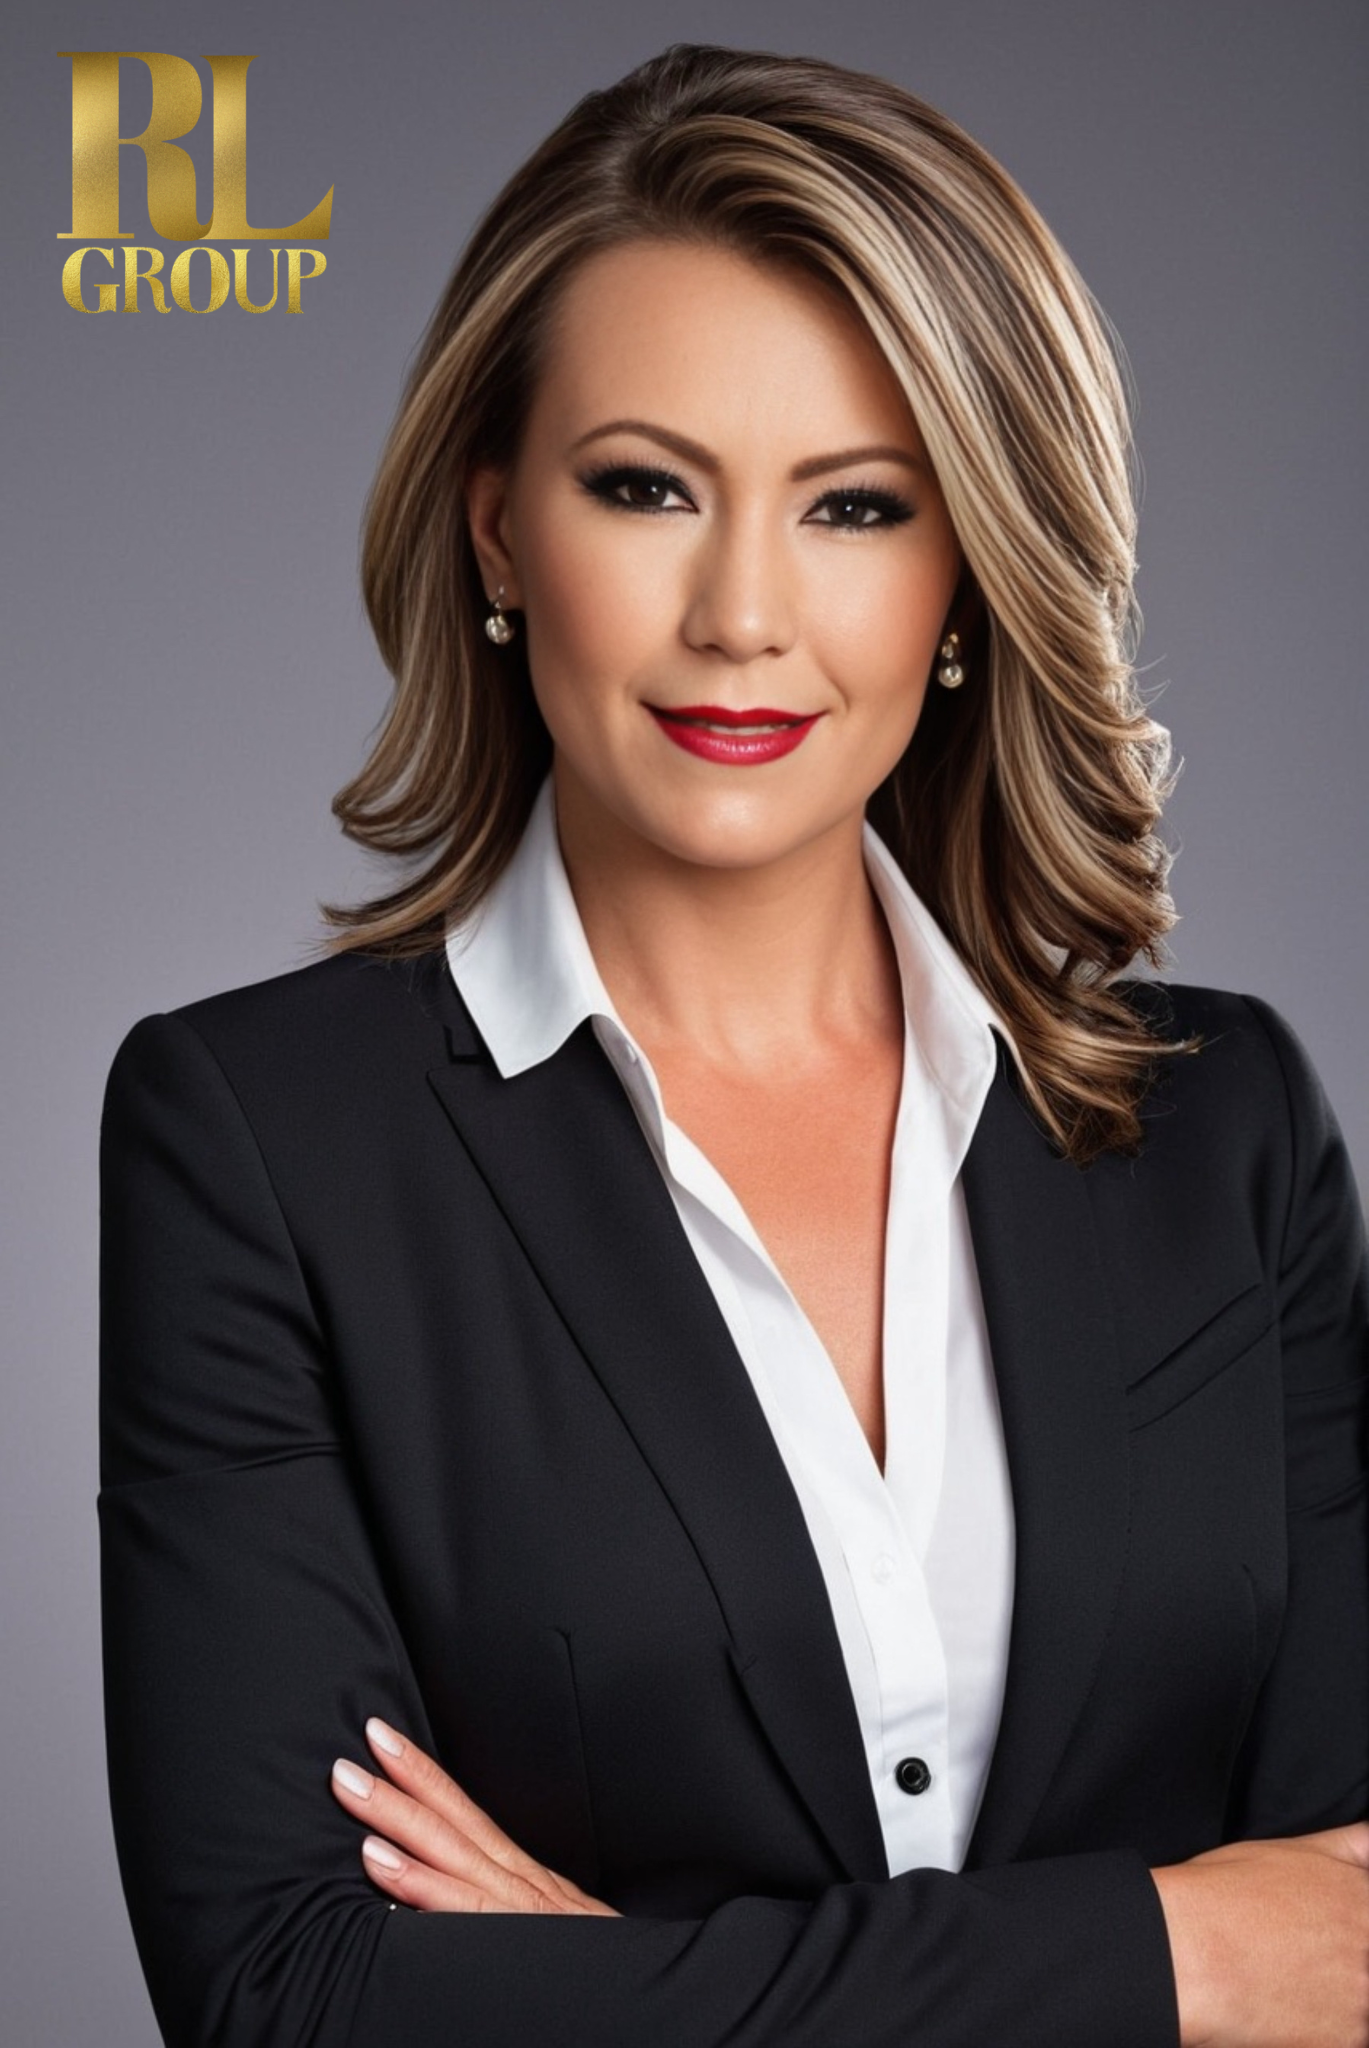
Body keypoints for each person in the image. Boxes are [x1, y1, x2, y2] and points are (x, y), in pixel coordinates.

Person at [99, 41, 1367, 2048]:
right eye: (646, 487)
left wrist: (600, 1984)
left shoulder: (1231, 1133)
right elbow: (298, 1996)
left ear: (969, 573)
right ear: (500, 527)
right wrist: (1175, 1952)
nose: (744, 612)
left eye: (857, 504)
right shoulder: (256, 1138)